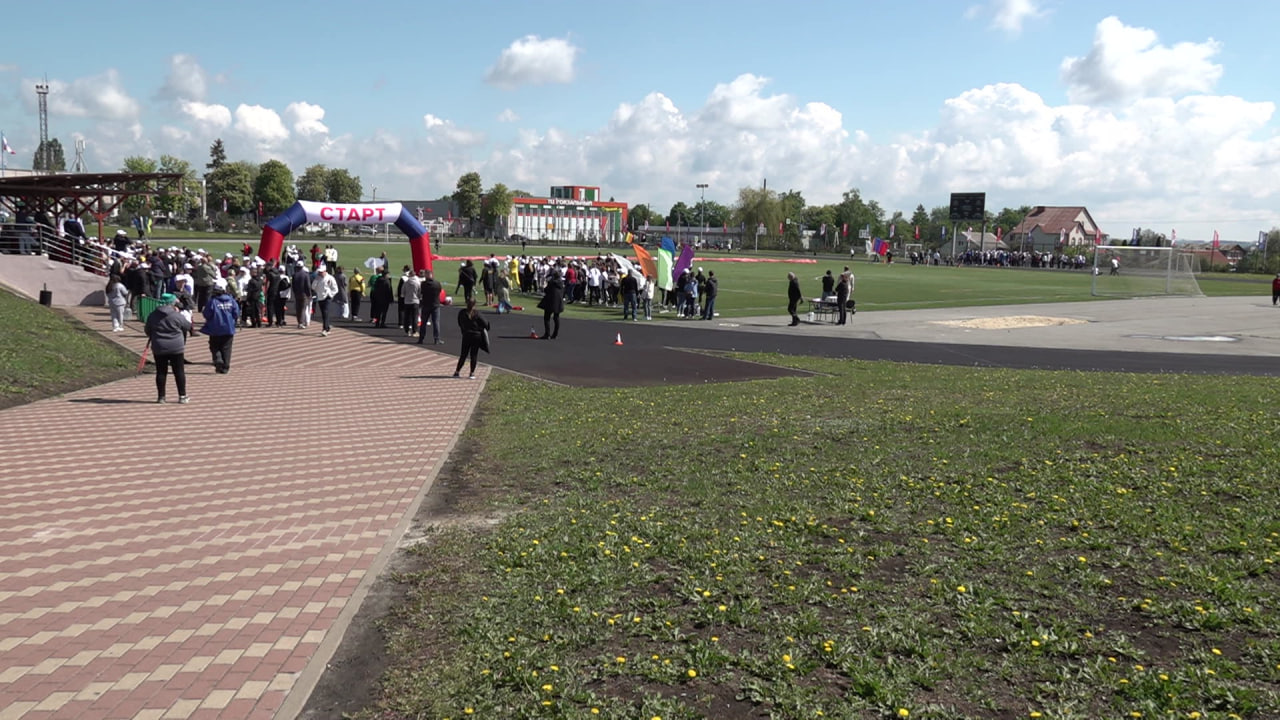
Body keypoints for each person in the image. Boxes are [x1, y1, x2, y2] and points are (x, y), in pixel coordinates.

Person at [145, 293, 192, 404]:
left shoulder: (153, 315)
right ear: (173, 303)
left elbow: (147, 330)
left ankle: (161, 397)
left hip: (159, 346)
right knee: (179, 371)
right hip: (176, 347)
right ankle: (182, 396)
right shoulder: (176, 315)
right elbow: (187, 326)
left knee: (161, 372)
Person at [201, 278, 240, 373]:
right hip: (229, 328)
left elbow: (206, 314)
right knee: (227, 348)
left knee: (214, 346)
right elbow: (236, 313)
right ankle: (225, 366)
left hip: (215, 328)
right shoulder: (231, 300)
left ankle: (218, 359)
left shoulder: (212, 301)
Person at [453, 298, 490, 379]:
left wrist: (463, 329)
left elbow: (459, 322)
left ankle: (457, 371)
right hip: (476, 336)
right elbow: (486, 324)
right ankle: (472, 373)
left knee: (463, 354)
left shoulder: (462, 313)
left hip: (466, 335)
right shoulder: (477, 314)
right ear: (475, 304)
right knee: (474, 354)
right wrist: (481, 328)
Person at [311, 265, 339, 336]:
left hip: (327, 297)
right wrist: (316, 280)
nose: (320, 273)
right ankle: (327, 327)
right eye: (319, 272)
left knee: (325, 312)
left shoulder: (330, 278)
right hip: (320, 297)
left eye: (321, 272)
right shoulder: (318, 278)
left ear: (325, 271)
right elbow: (313, 287)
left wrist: (330, 295)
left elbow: (335, 289)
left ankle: (325, 329)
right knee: (323, 313)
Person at [538, 266, 565, 339]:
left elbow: (546, 290)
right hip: (558, 303)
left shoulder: (551, 282)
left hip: (550, 302)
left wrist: (544, 287)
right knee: (556, 318)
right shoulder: (561, 283)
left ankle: (547, 334)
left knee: (547, 317)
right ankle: (555, 334)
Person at [418, 270, 444, 344]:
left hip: (426, 304)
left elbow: (421, 292)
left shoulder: (423, 284)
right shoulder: (437, 283)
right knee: (436, 322)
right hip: (435, 304)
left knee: (423, 322)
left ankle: (421, 338)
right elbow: (439, 291)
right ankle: (436, 339)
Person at [402, 269, 423, 336]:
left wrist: (405, 296)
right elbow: (420, 292)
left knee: (407, 317)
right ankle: (415, 331)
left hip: (407, 301)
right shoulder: (417, 283)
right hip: (415, 301)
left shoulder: (406, 283)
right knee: (415, 317)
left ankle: (407, 330)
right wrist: (419, 297)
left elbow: (402, 293)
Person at [292, 261, 312, 329]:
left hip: (297, 294)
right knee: (303, 308)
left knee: (298, 309)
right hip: (304, 294)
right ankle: (301, 322)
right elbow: (308, 286)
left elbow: (293, 286)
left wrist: (295, 292)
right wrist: (309, 294)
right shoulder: (305, 275)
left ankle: (299, 322)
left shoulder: (294, 275)